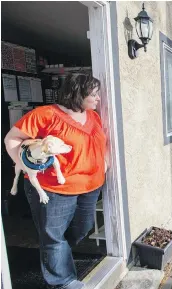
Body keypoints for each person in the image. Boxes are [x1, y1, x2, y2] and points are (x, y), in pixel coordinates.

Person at [4, 73, 106, 289]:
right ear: (77, 93)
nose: (98, 98)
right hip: (53, 189)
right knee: (53, 236)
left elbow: (101, 143)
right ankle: (63, 281)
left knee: (82, 229)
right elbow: (11, 138)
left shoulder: (94, 116)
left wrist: (104, 165)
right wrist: (24, 164)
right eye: (94, 94)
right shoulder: (45, 114)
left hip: (91, 187)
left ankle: (56, 256)